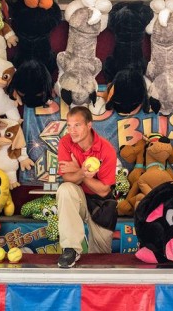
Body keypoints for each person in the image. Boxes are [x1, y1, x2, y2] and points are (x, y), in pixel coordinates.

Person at [56, 106, 118, 268]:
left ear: (89, 125)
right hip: (78, 197)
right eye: (69, 125)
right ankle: (71, 249)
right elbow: (67, 178)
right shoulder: (65, 142)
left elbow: (103, 190)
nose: (72, 131)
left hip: (101, 204)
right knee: (65, 189)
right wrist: (82, 173)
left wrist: (78, 171)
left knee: (99, 260)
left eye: (77, 125)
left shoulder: (106, 149)